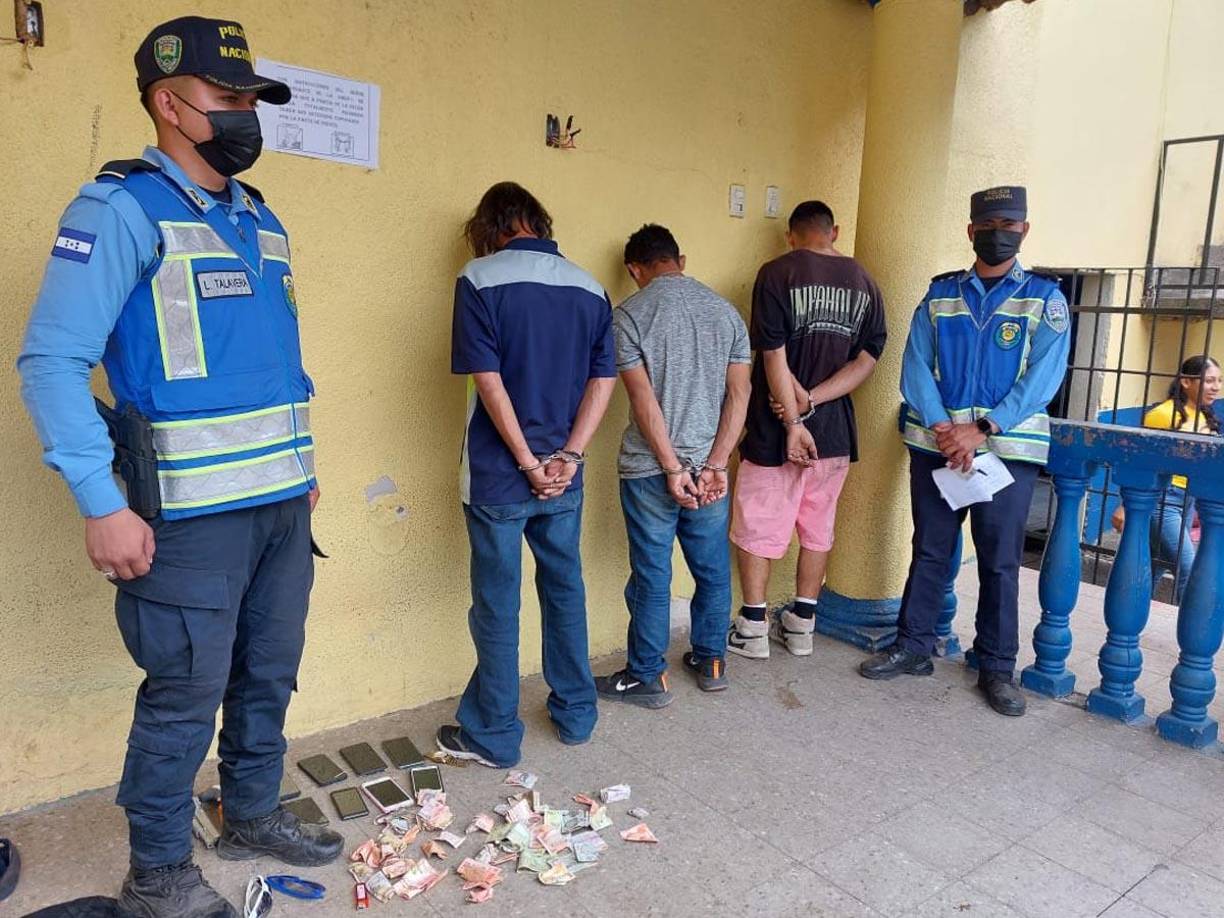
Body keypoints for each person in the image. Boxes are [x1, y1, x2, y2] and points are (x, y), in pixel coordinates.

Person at [17, 17, 341, 918]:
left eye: (251, 101)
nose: (246, 116)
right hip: (188, 518)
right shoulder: (117, 211)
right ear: (168, 102)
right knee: (181, 701)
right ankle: (157, 870)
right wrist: (98, 501)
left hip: (281, 506)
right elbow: (49, 364)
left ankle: (249, 811)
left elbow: (277, 362)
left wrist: (301, 469)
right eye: (229, 100)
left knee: (267, 673)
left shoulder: (258, 216)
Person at [860, 185, 1071, 717]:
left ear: (1024, 230)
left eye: (1010, 223)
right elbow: (915, 367)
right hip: (936, 446)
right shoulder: (940, 295)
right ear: (971, 231)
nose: (1000, 232)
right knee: (931, 548)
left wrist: (981, 429)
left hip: (1005, 452)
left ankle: (997, 668)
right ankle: (914, 646)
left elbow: (1042, 380)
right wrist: (943, 429)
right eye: (989, 223)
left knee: (1000, 562)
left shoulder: (1045, 300)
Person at [438, 182, 617, 768]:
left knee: (497, 603)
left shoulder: (479, 278)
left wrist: (526, 462)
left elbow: (487, 381)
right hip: (566, 478)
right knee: (565, 591)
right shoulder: (591, 288)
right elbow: (603, 382)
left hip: (499, 476)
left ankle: (492, 734)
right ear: (539, 222)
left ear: (491, 225)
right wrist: (568, 457)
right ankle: (576, 713)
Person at [594, 225, 751, 707]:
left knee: (652, 575)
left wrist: (670, 467)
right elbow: (740, 394)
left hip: (650, 471)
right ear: (679, 260)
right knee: (712, 570)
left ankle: (647, 675)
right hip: (709, 472)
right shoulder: (725, 313)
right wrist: (716, 465)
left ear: (634, 269)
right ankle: (712, 660)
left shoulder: (628, 316)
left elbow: (643, 402)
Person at [727, 201, 886, 660]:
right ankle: (802, 625)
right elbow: (866, 360)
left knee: (757, 522)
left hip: (776, 430)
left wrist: (794, 418)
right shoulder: (866, 283)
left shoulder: (777, 273)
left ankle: (754, 626)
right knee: (818, 527)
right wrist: (815, 399)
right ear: (833, 231)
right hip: (834, 432)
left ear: (791, 236)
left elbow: (772, 354)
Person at [1112, 355, 1221, 601]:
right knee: (1189, 568)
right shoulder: (1163, 415)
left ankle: (1127, 622)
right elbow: (1142, 461)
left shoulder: (1204, 416)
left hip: (1187, 500)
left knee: (1153, 567)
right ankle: (1193, 635)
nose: (1216, 387)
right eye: (1209, 381)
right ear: (1186, 382)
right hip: (1163, 499)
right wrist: (1125, 505)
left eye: (1219, 381)